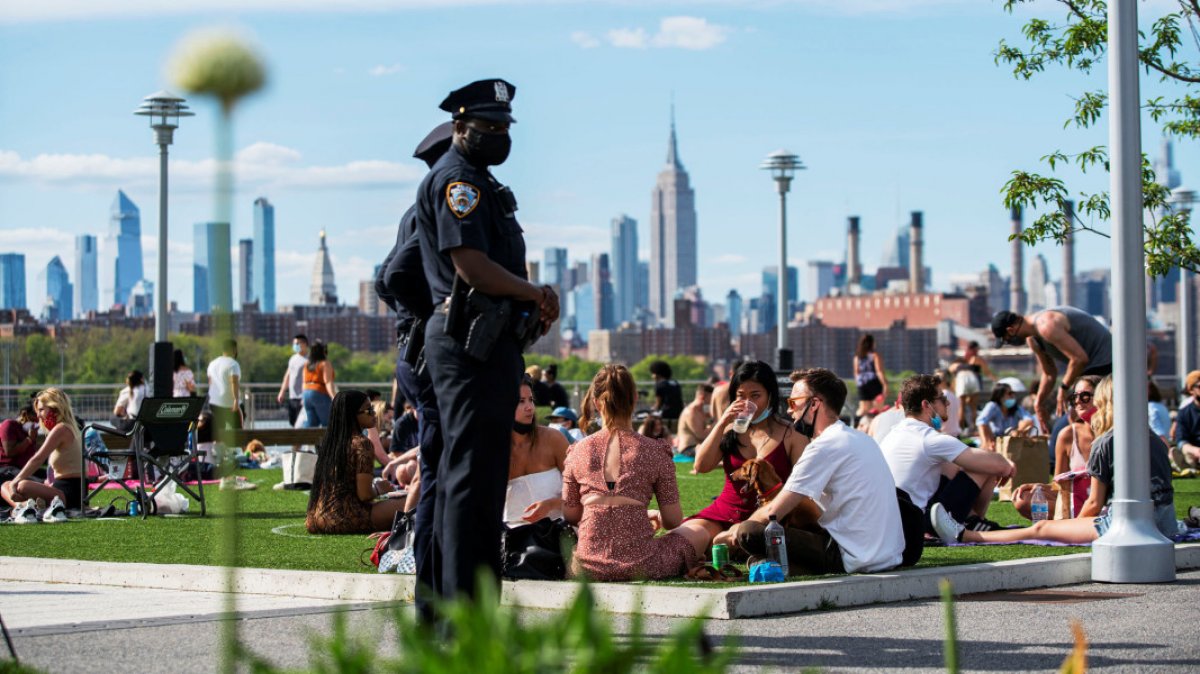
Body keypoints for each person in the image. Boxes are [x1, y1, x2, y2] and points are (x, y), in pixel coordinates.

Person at [414, 78, 559, 605]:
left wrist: (524, 307)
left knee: (466, 479)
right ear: (459, 127)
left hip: (486, 339)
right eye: (487, 126)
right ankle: (465, 615)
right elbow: (472, 267)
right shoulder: (459, 181)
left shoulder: (481, 183)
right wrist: (536, 292)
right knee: (472, 484)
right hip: (467, 341)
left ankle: (442, 610)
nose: (498, 135)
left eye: (503, 127)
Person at [932, 375, 1178, 545]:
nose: (1079, 403)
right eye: (1076, 398)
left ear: (1103, 403)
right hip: (1164, 524)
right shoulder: (1154, 439)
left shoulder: (1106, 442)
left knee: (1041, 529)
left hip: (1127, 524)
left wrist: (1069, 530)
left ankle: (966, 536)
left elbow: (1094, 503)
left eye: (1088, 398)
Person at [381, 120, 456, 621]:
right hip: (433, 356)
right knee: (442, 475)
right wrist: (432, 319)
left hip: (423, 352)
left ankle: (440, 596)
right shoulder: (436, 205)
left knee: (444, 473)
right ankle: (434, 598)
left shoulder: (420, 208)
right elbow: (391, 278)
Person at [725, 368, 905, 575]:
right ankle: (778, 564)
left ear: (814, 404)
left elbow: (775, 511)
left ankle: (777, 563)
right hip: (889, 555)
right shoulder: (860, 438)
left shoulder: (824, 446)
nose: (789, 410)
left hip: (852, 557)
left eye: (793, 403)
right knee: (775, 541)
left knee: (750, 532)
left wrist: (732, 532)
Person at [562, 365, 708, 580]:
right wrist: (646, 512)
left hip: (586, 568)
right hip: (643, 566)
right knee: (700, 532)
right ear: (635, 398)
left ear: (596, 403)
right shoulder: (655, 450)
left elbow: (571, 515)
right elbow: (672, 520)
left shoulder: (577, 451)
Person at [674, 360, 809, 546]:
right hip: (725, 512)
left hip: (768, 518)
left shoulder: (791, 434)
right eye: (741, 396)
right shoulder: (730, 430)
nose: (747, 403)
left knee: (724, 543)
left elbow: (803, 488)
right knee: (683, 538)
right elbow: (701, 466)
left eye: (755, 396)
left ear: (770, 395)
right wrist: (722, 422)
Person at [881, 374, 1015, 532]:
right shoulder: (929, 439)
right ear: (926, 405)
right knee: (985, 467)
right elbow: (1001, 466)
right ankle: (973, 522)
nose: (948, 402)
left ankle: (970, 519)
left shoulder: (894, 433)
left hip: (894, 520)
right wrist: (1007, 465)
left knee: (952, 464)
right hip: (917, 523)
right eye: (942, 398)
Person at [991, 307, 1113, 433]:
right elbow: (1049, 373)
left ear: (1010, 331)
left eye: (1007, 340)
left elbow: (1079, 359)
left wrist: (1063, 389)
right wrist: (1039, 402)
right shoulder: (1032, 339)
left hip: (1104, 363)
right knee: (1070, 422)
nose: (1010, 343)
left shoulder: (1046, 325)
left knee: (1080, 420)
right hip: (1088, 370)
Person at [305, 391, 405, 534]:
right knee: (411, 502)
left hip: (315, 519)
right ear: (353, 415)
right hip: (345, 518)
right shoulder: (362, 444)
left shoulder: (329, 443)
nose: (374, 414)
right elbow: (364, 495)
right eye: (369, 410)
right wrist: (380, 488)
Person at [1, 389, 84, 522]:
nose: (38, 416)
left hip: (68, 494)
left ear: (54, 408)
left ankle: (22, 508)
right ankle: (22, 507)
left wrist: (16, 481)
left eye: (41, 410)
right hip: (62, 489)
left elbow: (38, 459)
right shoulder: (68, 427)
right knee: (5, 485)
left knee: (21, 485)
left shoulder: (61, 429)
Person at [505, 375, 568, 528]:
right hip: (510, 541)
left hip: (557, 535)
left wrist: (552, 504)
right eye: (521, 401)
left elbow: (585, 489)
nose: (530, 407)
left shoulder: (553, 439)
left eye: (531, 400)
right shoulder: (494, 450)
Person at [1051, 375, 1100, 516]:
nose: (1078, 401)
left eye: (1085, 396)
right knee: (1024, 499)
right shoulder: (1067, 435)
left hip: (1106, 505)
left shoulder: (1116, 434)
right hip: (1077, 505)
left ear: (1101, 397)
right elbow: (1059, 484)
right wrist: (1036, 488)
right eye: (1074, 397)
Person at [976, 382, 1037, 450]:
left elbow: (1029, 419)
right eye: (1010, 393)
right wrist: (986, 442)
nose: (1013, 396)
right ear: (1000, 396)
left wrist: (1018, 431)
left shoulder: (1016, 408)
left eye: (1013, 393)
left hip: (1011, 443)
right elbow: (981, 422)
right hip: (995, 443)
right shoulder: (993, 406)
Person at [951, 341, 994, 432]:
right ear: (975, 349)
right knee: (973, 407)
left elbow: (951, 371)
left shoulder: (959, 362)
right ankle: (973, 428)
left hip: (961, 377)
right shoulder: (976, 359)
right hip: (973, 378)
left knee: (961, 406)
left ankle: (960, 430)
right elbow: (987, 372)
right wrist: (996, 380)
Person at [206, 339, 243, 431]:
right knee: (239, 434)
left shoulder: (212, 364)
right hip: (229, 403)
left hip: (213, 402)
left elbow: (210, 383)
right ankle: (244, 445)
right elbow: (234, 382)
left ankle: (218, 444)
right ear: (234, 349)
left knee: (218, 433)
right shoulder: (233, 364)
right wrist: (236, 400)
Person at [277, 334, 310, 427]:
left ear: (304, 344)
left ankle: (305, 441)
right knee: (293, 422)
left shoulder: (309, 359)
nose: (295, 346)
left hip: (303, 398)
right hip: (292, 397)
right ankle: (297, 441)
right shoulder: (293, 359)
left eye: (297, 343)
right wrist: (282, 391)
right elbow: (287, 376)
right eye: (294, 344)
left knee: (302, 425)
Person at [1, 418, 40, 495]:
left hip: (24, 468)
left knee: (48, 477)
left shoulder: (29, 431)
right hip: (8, 467)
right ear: (25, 415)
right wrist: (29, 439)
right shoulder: (10, 425)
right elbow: (9, 451)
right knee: (36, 481)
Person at [302, 340, 336, 428]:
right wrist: (334, 397)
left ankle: (302, 440)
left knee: (311, 424)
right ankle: (328, 442)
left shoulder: (307, 364)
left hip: (306, 394)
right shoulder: (324, 363)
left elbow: (303, 382)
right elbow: (327, 381)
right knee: (329, 423)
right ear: (323, 352)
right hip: (319, 392)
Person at [852, 334, 887, 419]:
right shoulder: (874, 355)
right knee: (877, 409)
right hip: (874, 382)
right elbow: (879, 371)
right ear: (872, 343)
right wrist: (885, 384)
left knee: (863, 409)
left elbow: (856, 373)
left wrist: (860, 385)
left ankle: (857, 424)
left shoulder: (857, 357)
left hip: (861, 384)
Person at [675, 383, 714, 458]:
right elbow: (701, 436)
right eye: (711, 399)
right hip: (688, 449)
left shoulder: (701, 411)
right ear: (702, 397)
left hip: (697, 447)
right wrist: (717, 423)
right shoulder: (690, 412)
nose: (712, 402)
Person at [1174, 370, 1200, 469]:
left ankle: (1189, 466)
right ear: (1191, 390)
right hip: (1193, 449)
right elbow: (1181, 440)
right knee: (1185, 451)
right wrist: (1196, 451)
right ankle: (1190, 464)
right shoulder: (1184, 412)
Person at [935, 370, 962, 437]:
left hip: (945, 436)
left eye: (936, 379)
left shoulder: (942, 395)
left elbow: (937, 419)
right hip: (956, 435)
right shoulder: (954, 396)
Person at [1147, 381, 1171, 451]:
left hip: (1158, 445)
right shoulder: (1161, 406)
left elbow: (1158, 431)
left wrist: (1166, 450)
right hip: (1164, 441)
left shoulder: (1150, 408)